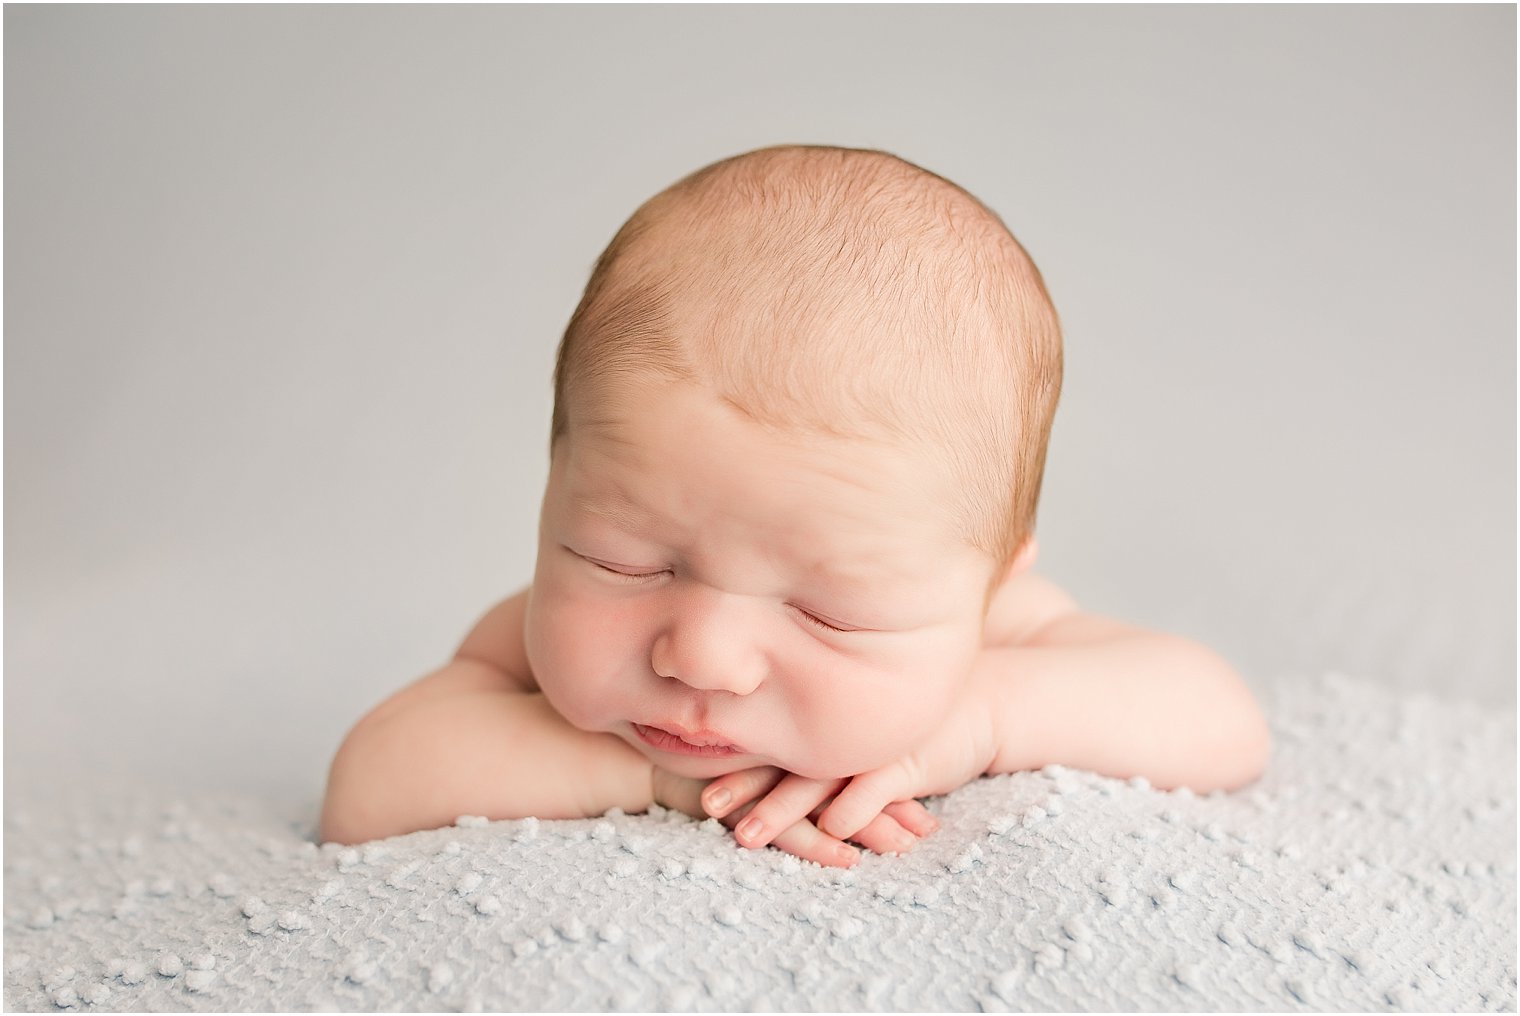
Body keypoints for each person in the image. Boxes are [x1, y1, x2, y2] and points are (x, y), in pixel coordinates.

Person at [319, 144, 1271, 867]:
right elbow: (368, 786)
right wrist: (654, 780)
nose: (703, 656)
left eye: (831, 614)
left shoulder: (994, 640)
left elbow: (1224, 723)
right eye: (623, 561)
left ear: (986, 588)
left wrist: (978, 715)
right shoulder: (523, 649)